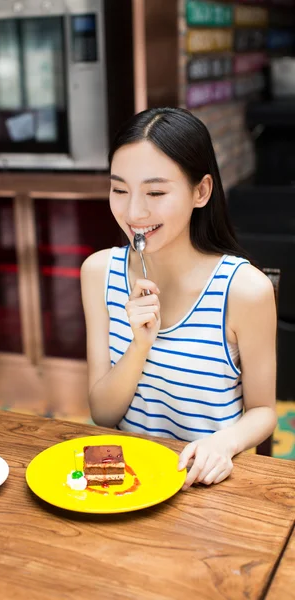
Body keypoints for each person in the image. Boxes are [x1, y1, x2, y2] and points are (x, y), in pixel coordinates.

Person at [80, 107, 277, 491]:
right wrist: (140, 344)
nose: (134, 211)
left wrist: (222, 444)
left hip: (206, 485)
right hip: (126, 484)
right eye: (119, 189)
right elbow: (103, 415)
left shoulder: (244, 290)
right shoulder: (98, 273)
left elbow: (264, 411)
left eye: (155, 192)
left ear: (201, 191)